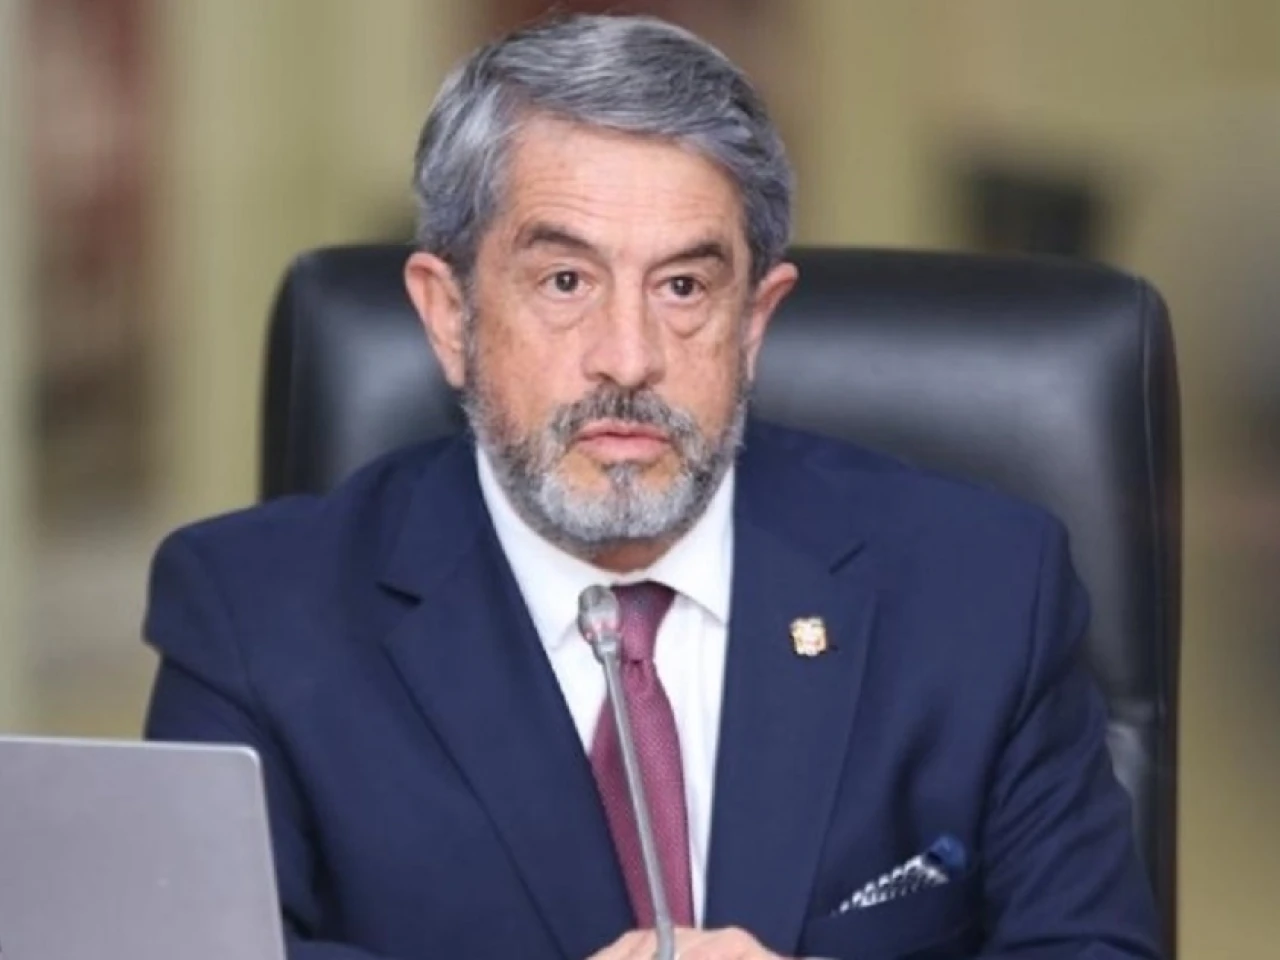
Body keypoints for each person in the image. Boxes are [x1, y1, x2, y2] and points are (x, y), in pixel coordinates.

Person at [143, 13, 1163, 960]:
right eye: (565, 281)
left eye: (682, 287)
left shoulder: (982, 591)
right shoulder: (253, 617)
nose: (627, 358)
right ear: (448, 315)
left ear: (753, 322)